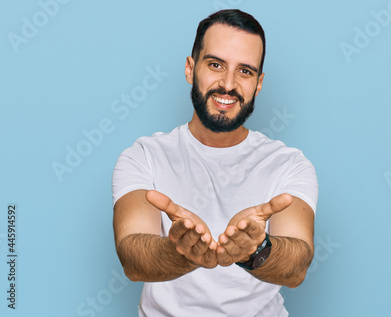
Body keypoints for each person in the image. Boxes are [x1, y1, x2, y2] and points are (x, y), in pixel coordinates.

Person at [112, 9, 318, 316]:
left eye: (245, 71)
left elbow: (296, 268)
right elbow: (132, 259)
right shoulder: (144, 156)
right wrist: (180, 252)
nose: (228, 84)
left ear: (258, 84)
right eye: (216, 65)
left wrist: (255, 251)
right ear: (189, 69)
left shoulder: (289, 164)